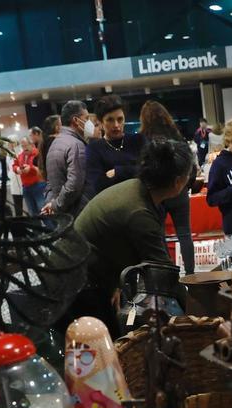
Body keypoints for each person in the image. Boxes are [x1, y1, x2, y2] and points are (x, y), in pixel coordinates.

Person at [71, 137, 193, 331]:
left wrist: (115, 285)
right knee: (106, 344)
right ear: (178, 182)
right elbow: (164, 274)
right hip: (79, 282)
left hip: (89, 273)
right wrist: (195, 316)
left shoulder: (138, 188)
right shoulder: (139, 212)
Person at [140, 100, 196, 275]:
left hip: (158, 194)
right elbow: (191, 166)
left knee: (160, 235)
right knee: (184, 233)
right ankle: (190, 274)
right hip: (179, 191)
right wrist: (186, 185)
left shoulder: (145, 141)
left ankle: (168, 274)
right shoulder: (177, 136)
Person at [85, 95, 144, 201]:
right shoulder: (94, 149)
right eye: (110, 120)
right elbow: (98, 185)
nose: (116, 125)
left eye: (120, 119)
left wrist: (118, 171)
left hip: (143, 202)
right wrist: (134, 170)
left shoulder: (138, 140)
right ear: (101, 122)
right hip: (113, 206)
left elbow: (150, 171)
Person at [43, 101, 91, 218]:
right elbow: (74, 185)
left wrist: (52, 203)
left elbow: (50, 182)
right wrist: (56, 205)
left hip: (64, 213)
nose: (89, 123)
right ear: (75, 120)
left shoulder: (55, 143)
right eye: (87, 118)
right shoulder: (76, 145)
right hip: (78, 211)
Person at [15, 130, 47, 216]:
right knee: (32, 213)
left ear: (31, 145)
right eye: (22, 146)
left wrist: (31, 168)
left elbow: (42, 169)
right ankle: (36, 229)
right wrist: (17, 169)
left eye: (25, 145)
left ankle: (52, 229)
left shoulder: (37, 153)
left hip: (38, 186)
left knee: (43, 210)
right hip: (26, 187)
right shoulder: (21, 155)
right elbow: (14, 165)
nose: (24, 148)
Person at [38, 114, 62, 182]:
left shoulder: (46, 140)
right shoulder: (53, 141)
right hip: (58, 179)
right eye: (62, 124)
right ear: (56, 127)